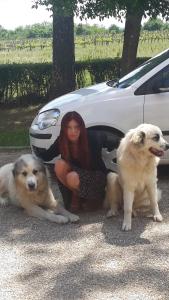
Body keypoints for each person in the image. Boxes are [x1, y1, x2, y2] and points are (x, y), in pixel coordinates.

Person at [34, 111, 118, 212]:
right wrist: (31, 159)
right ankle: (79, 196)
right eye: (69, 127)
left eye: (76, 127)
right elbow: (47, 156)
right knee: (59, 164)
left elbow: (116, 141)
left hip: (96, 177)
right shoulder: (62, 140)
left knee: (72, 177)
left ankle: (93, 199)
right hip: (75, 178)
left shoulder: (93, 136)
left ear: (81, 127)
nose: (73, 131)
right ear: (64, 129)